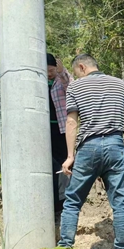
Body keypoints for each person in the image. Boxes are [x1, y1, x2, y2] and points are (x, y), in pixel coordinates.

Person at [47, 54, 124, 249]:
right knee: (119, 203)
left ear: (81, 66)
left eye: (77, 71)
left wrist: (70, 156)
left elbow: (71, 122)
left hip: (88, 148)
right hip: (116, 145)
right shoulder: (119, 84)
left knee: (72, 202)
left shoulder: (76, 88)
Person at [47, 53, 72, 216]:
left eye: (51, 70)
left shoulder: (61, 78)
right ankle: (54, 200)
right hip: (45, 130)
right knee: (51, 164)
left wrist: (62, 72)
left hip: (62, 129)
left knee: (64, 163)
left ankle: (65, 201)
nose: (49, 74)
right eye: (46, 71)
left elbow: (70, 86)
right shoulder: (39, 81)